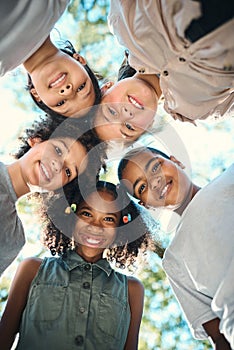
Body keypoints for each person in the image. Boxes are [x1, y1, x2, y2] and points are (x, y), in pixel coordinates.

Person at [0, 180, 163, 350]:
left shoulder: (132, 290)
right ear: (71, 218)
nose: (95, 226)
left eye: (108, 219)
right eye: (86, 214)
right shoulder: (32, 270)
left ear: (120, 230)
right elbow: (4, 336)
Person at [117, 146, 234, 349]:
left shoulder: (229, 178)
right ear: (145, 205)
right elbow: (218, 337)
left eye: (155, 167)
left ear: (176, 161)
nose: (154, 181)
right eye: (142, 188)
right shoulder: (174, 260)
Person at [0, 113, 106, 276]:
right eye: (57, 150)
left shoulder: (14, 239)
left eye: (68, 171)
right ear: (37, 139)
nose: (58, 165)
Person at [102, 0, 234, 124]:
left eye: (111, 111)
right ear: (148, 125)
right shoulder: (208, 110)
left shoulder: (121, 22)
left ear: (105, 88)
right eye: (129, 127)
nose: (126, 114)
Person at [0, 1, 101, 117]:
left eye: (61, 103)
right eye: (82, 87)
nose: (67, 91)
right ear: (79, 60)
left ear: (36, 95)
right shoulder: (55, 4)